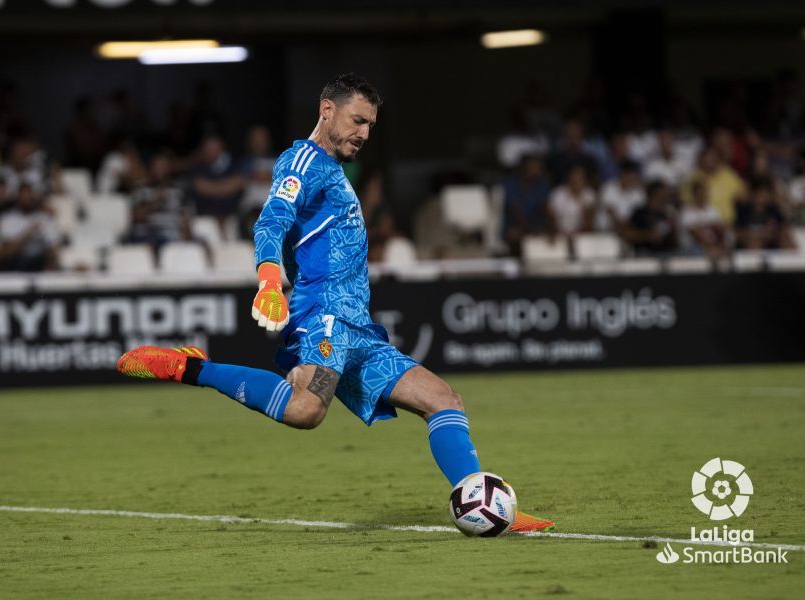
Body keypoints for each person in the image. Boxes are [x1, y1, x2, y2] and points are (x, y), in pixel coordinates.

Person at [116, 74, 553, 533]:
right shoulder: (302, 161)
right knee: (307, 410)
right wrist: (269, 280)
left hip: (357, 326)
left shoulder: (333, 170)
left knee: (443, 399)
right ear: (327, 110)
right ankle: (192, 368)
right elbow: (270, 222)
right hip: (322, 312)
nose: (364, 133)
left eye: (370, 125)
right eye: (358, 120)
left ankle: (486, 506)